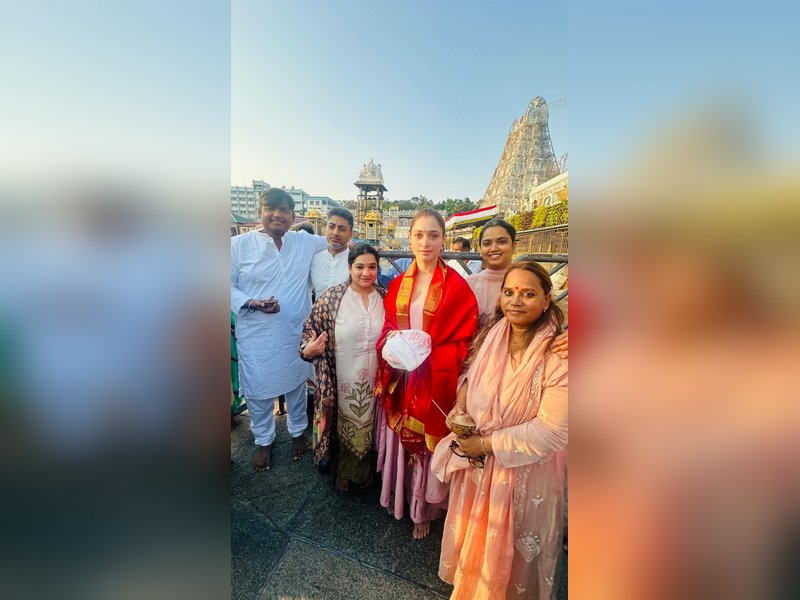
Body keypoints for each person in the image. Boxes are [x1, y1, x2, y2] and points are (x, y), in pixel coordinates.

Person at [431, 260, 568, 599]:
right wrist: (462, 406)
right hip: (479, 464)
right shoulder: (491, 335)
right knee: (477, 535)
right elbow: (468, 376)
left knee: (513, 550)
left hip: (523, 469)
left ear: (548, 299)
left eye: (528, 294)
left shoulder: (560, 353)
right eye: (509, 292)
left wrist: (485, 444)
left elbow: (552, 431)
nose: (516, 301)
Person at [375, 208, 479, 539]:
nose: (426, 242)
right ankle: (401, 496)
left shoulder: (458, 286)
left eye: (433, 235)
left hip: (435, 378)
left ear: (443, 240)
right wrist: (393, 341)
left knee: (427, 444)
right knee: (404, 440)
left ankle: (423, 507)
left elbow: (465, 339)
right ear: (409, 239)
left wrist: (429, 353)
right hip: (403, 377)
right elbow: (389, 325)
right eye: (419, 235)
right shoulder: (397, 284)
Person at [231, 187, 328, 471]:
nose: (278, 214)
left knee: (297, 385)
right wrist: (251, 302)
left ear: (293, 216)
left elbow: (336, 240)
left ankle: (299, 433)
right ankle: (264, 440)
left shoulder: (304, 242)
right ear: (259, 212)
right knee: (259, 392)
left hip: (295, 332)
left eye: (285, 210)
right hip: (257, 333)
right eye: (271, 208)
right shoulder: (237, 246)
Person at [299, 243, 386, 491]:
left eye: (372, 267)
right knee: (343, 420)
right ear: (349, 268)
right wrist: (309, 349)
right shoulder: (331, 298)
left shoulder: (385, 297)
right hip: (341, 376)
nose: (366, 273)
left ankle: (368, 469)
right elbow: (309, 331)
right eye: (359, 267)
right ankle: (343, 471)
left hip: (376, 377)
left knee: (371, 421)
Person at [468, 219, 569, 357]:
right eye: (487, 243)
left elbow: (548, 321)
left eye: (502, 241)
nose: (494, 248)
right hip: (474, 360)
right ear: (480, 249)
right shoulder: (467, 284)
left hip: (522, 358)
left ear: (513, 246)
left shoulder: (530, 279)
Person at [310, 207, 354, 298]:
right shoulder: (313, 258)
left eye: (342, 229)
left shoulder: (357, 261)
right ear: (325, 228)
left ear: (350, 234)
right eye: (331, 227)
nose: (335, 233)